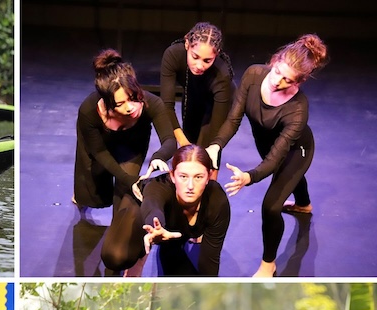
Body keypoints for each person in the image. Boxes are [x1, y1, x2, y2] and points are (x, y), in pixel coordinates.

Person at [205, 34, 330, 277]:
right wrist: (216, 145)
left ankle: (268, 264)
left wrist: (248, 178)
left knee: (271, 206)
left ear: (299, 82)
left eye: (287, 80)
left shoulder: (297, 109)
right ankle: (303, 204)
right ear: (275, 60)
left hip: (296, 151)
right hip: (267, 144)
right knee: (289, 180)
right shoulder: (253, 75)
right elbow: (233, 118)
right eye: (277, 72)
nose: (278, 81)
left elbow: (274, 159)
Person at [101, 144, 230, 276]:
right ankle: (140, 256)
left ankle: (168, 243)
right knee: (116, 257)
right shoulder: (158, 186)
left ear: (208, 177)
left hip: (172, 231)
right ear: (172, 176)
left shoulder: (217, 200)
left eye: (198, 177)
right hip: (140, 205)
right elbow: (152, 206)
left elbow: (210, 259)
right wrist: (156, 227)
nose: (190, 186)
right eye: (183, 176)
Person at [73, 48, 177, 211]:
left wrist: (159, 157)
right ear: (107, 102)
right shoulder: (88, 111)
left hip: (133, 143)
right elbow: (99, 152)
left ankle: (117, 229)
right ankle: (82, 196)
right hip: (100, 143)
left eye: (133, 98)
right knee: (90, 190)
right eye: (120, 104)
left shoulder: (153, 103)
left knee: (127, 188)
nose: (130, 108)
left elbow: (170, 140)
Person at [160, 22, 235, 148]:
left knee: (206, 149)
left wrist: (211, 151)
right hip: (193, 93)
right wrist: (184, 145)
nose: (200, 66)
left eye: (207, 60)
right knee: (189, 141)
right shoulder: (173, 55)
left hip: (218, 103)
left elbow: (215, 136)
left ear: (216, 54)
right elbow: (166, 105)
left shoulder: (222, 75)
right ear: (187, 44)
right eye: (195, 57)